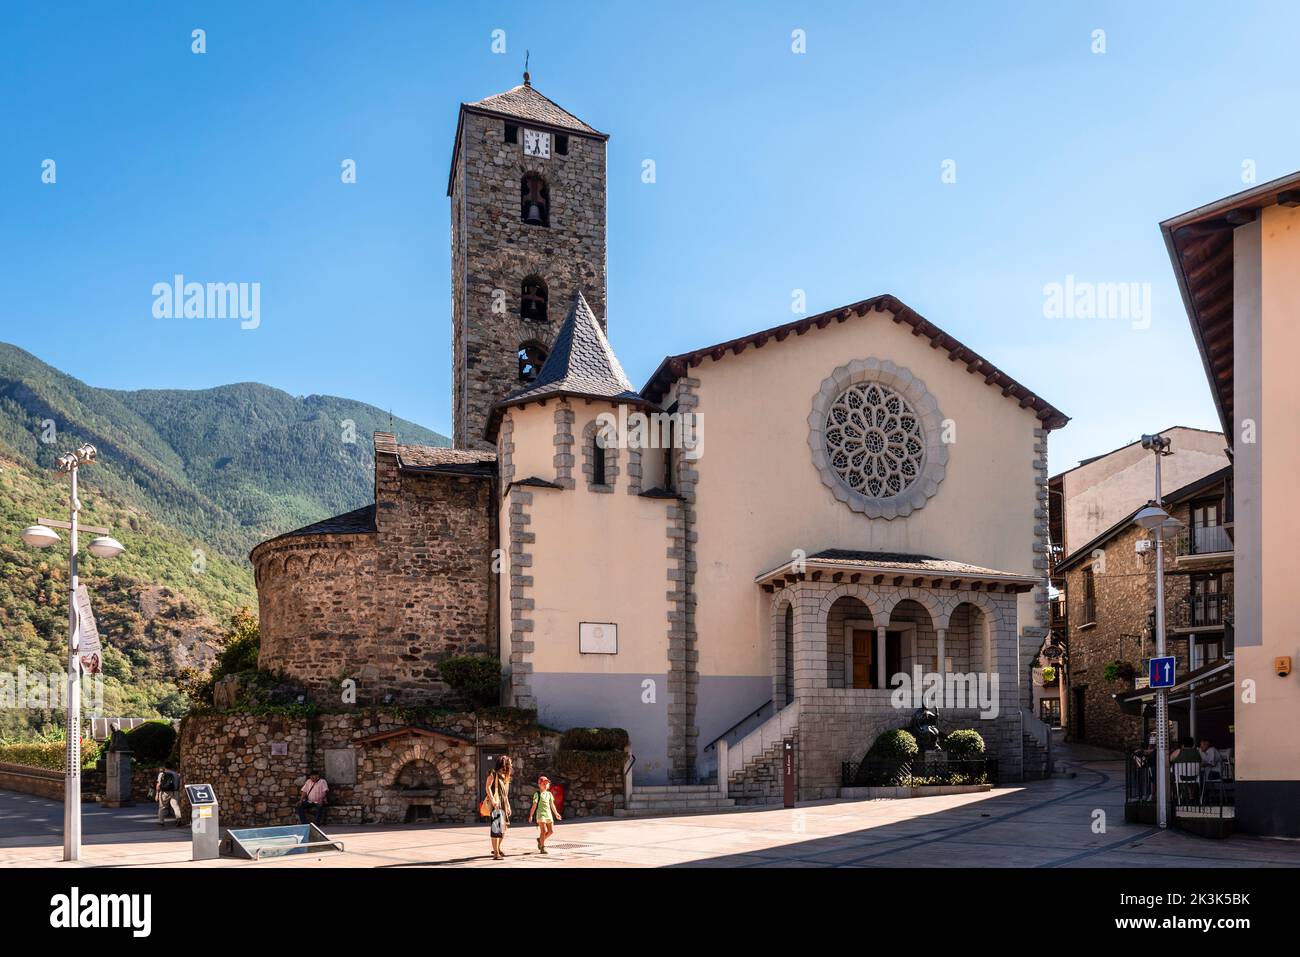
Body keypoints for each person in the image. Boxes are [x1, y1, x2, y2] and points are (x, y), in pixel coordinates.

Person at [485, 755, 513, 860]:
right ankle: (496, 853)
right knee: (496, 829)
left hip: (504, 805)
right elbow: (487, 787)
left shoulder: (506, 777)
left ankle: (497, 848)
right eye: (510, 763)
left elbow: (505, 794)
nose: (511, 765)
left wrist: (509, 806)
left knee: (504, 829)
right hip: (496, 804)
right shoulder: (493, 774)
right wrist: (493, 800)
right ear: (504, 764)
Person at [528, 775, 562, 854]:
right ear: (539, 785)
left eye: (547, 784)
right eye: (544, 784)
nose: (546, 785)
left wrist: (556, 814)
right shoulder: (537, 794)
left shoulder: (549, 794)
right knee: (543, 831)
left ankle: (540, 840)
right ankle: (542, 847)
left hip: (548, 814)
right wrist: (531, 815)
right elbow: (534, 806)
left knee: (551, 831)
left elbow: (552, 805)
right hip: (541, 815)